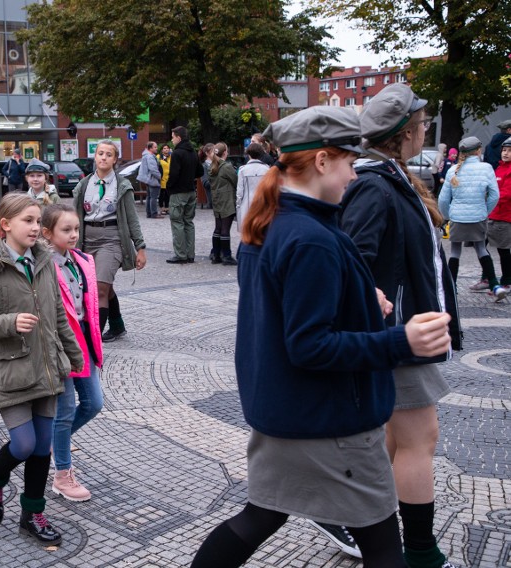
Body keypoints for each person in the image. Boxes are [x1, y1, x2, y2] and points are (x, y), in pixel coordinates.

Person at [192, 105, 453, 568]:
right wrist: (402, 341)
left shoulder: (275, 222)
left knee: (260, 517)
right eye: (350, 163)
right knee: (381, 545)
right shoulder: (309, 236)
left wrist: (358, 295)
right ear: (321, 161)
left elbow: (281, 310)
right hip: (328, 420)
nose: (355, 176)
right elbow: (309, 345)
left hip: (287, 411)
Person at [340, 83, 464, 568]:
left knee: (393, 441)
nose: (427, 127)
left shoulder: (389, 177)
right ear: (404, 133)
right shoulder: (375, 184)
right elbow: (354, 264)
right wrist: (383, 324)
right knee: (419, 438)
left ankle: (373, 534)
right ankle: (419, 553)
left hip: (401, 334)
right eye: (423, 122)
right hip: (396, 338)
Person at [0, 193, 84, 546]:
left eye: (37, 221)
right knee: (24, 442)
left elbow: (58, 314)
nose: (36, 228)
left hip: (46, 368)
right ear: (5, 225)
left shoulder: (45, 261)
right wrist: (10, 321)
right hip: (12, 372)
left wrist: (73, 354)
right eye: (28, 221)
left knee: (42, 446)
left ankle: (33, 513)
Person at [41, 203, 104, 501]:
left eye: (76, 229)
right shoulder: (42, 266)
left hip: (85, 344)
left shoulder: (82, 261)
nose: (74, 234)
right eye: (66, 230)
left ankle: (55, 441)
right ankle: (62, 475)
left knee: (94, 403)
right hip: (59, 348)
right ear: (47, 233)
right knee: (64, 411)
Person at [72, 139, 147, 341]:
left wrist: (140, 247)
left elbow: (132, 219)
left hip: (112, 238)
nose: (104, 157)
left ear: (115, 160)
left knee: (100, 287)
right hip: (87, 240)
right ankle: (117, 326)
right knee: (104, 286)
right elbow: (74, 216)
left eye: (109, 154)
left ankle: (93, 337)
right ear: (95, 157)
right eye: (100, 153)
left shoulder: (122, 186)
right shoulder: (84, 184)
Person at [438, 136, 503, 299]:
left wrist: (447, 215)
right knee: (481, 249)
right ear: (478, 150)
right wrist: (484, 211)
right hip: (478, 217)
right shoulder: (487, 168)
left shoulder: (453, 170)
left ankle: (451, 286)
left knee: (455, 251)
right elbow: (494, 195)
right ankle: (495, 285)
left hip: (457, 217)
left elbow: (443, 199)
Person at [165, 126, 203, 263]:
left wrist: (169, 187)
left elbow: (173, 174)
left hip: (178, 192)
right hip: (191, 191)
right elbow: (200, 172)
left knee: (177, 222)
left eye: (173, 136)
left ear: (179, 138)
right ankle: (190, 254)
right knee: (189, 222)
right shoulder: (193, 152)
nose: (171, 139)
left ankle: (181, 255)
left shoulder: (177, 153)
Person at [487, 137, 511, 298]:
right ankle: (488, 278)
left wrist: (489, 198)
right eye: (504, 150)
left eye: (509, 151)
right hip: (491, 215)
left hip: (504, 217)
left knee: (503, 251)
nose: (506, 153)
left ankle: (506, 281)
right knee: (481, 248)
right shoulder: (499, 168)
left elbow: (506, 194)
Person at [208, 142, 238, 265]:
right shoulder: (226, 167)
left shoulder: (213, 166)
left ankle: (216, 254)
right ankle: (226, 255)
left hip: (217, 200)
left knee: (218, 228)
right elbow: (236, 182)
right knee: (225, 229)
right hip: (227, 200)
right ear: (225, 152)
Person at [236, 143, 270, 231]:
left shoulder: (242, 170)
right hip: (263, 205)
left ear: (249, 154)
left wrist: (238, 208)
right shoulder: (267, 169)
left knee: (248, 234)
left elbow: (239, 193)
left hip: (247, 205)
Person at [138, 141, 163, 219]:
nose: (157, 148)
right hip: (152, 179)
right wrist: (159, 176)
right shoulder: (150, 156)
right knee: (154, 197)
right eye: (155, 147)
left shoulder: (146, 155)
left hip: (147, 179)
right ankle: (154, 213)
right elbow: (153, 169)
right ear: (150, 148)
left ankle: (149, 213)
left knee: (149, 196)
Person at [199, 143, 215, 209]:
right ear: (207, 153)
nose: (216, 152)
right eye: (213, 151)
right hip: (212, 200)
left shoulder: (218, 163)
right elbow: (205, 183)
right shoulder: (204, 166)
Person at [158, 144, 172, 216]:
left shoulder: (171, 157)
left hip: (169, 179)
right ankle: (161, 208)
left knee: (168, 195)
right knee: (162, 195)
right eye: (164, 148)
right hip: (161, 179)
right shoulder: (158, 157)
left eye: (167, 148)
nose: (166, 150)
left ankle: (167, 208)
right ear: (162, 150)